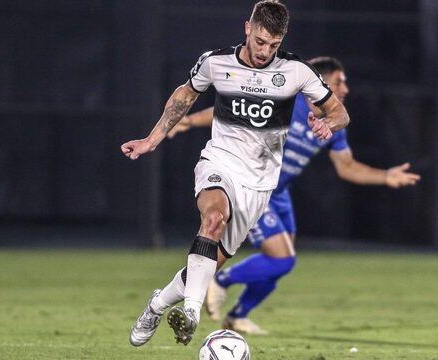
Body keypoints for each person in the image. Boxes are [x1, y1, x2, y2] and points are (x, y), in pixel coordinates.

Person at [121, 2, 349, 347]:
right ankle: (193, 314)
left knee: (208, 264)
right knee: (213, 219)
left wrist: (327, 123)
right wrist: (152, 139)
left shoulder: (296, 71)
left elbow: (339, 112)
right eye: (260, 41)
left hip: (259, 185)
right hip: (219, 163)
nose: (265, 51)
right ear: (248, 28)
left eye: (273, 45)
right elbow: (185, 95)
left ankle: (156, 304)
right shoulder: (216, 62)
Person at [169, 56, 420, 335]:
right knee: (282, 259)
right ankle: (221, 280)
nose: (346, 89)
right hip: (256, 186)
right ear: (322, 83)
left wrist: (387, 176)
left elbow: (347, 167)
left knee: (281, 265)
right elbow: (230, 112)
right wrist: (189, 121)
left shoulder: (333, 122)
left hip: (282, 193)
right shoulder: (288, 101)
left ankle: (238, 316)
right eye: (339, 82)